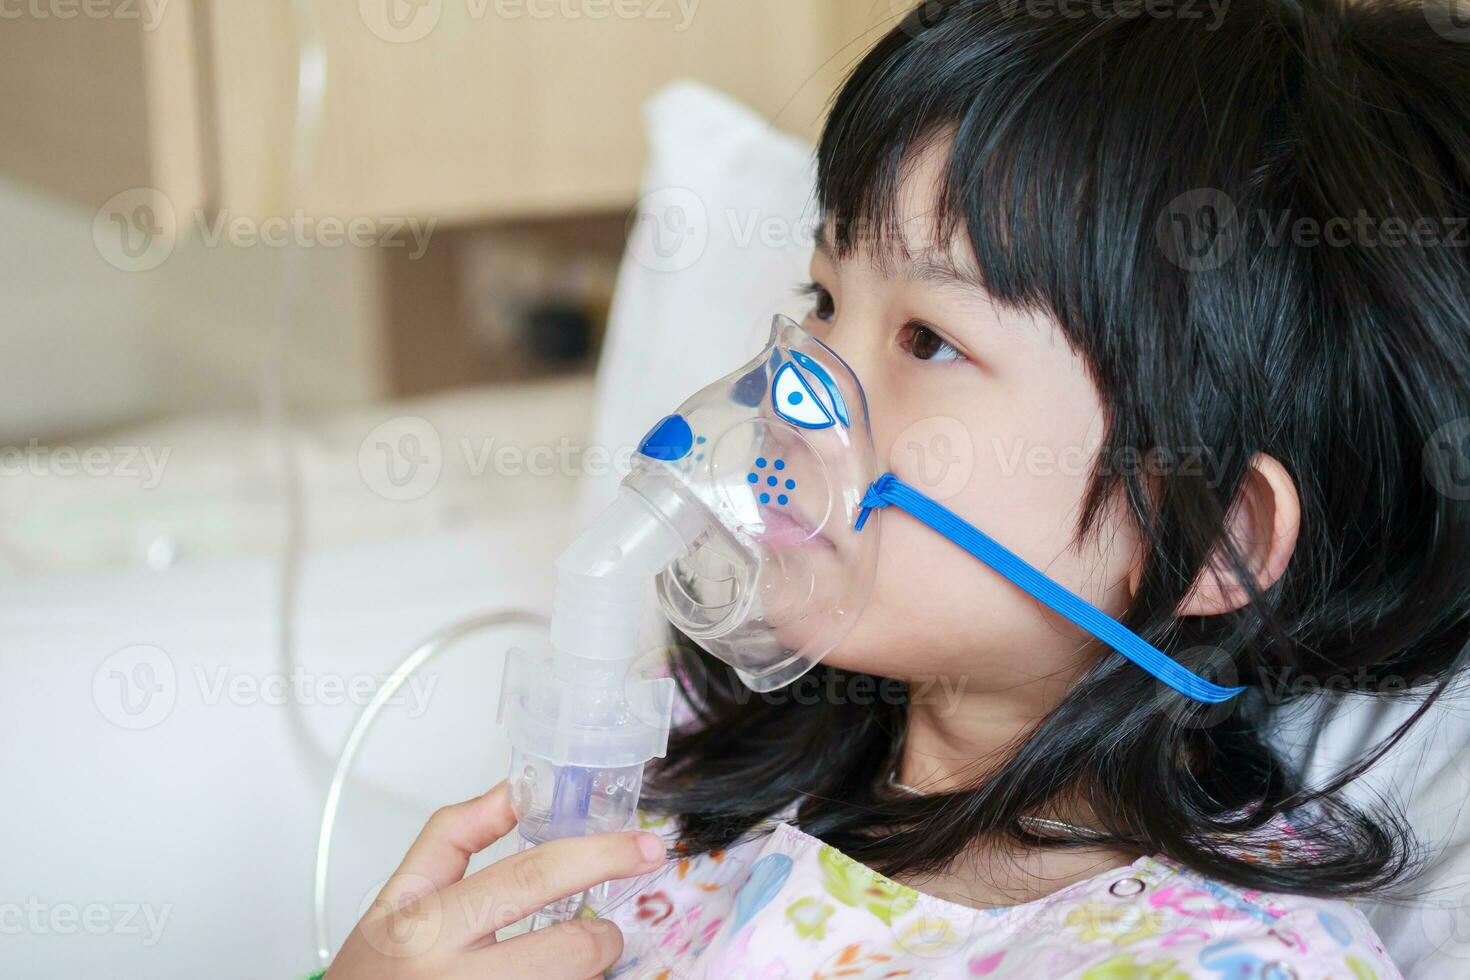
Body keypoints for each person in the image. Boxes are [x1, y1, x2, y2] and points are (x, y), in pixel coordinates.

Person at [325, 0, 1470, 975]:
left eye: (927, 338)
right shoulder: (680, 757)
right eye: (824, 301)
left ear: (1211, 535)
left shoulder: (1212, 956)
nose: (798, 386)